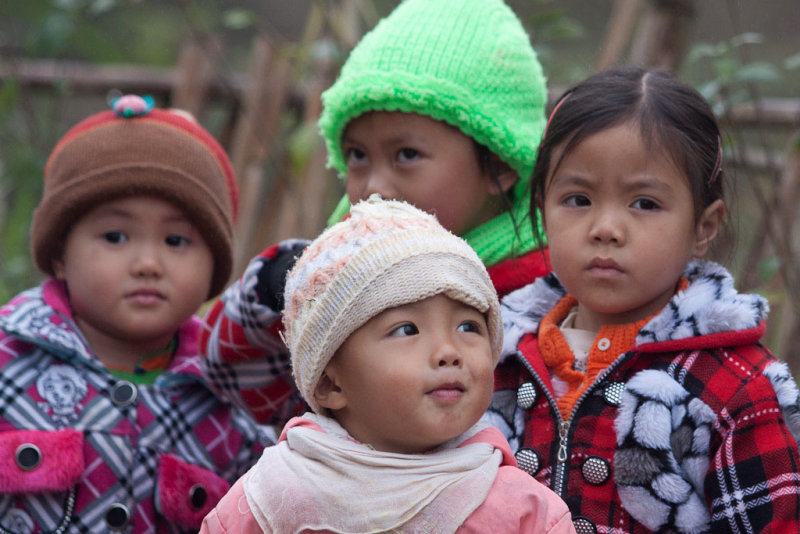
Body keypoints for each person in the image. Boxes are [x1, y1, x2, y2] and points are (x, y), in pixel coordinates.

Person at [201, 0, 550, 426]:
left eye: (407, 154)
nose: (374, 187)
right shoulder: (338, 274)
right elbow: (231, 383)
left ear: (501, 163)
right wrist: (274, 288)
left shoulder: (547, 304)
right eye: (357, 155)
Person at [486, 65, 800, 533]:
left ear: (704, 228)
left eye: (645, 204)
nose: (605, 228)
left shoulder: (737, 388)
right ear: (542, 209)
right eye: (577, 199)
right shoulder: (493, 354)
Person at [201, 196, 576, 533]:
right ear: (331, 384)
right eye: (407, 329)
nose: (449, 350)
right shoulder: (273, 497)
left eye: (468, 326)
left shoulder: (520, 511)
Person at [0, 95, 267, 532]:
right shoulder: (7, 358)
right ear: (61, 255)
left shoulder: (232, 393)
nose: (148, 263)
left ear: (213, 269)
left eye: (176, 241)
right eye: (115, 236)